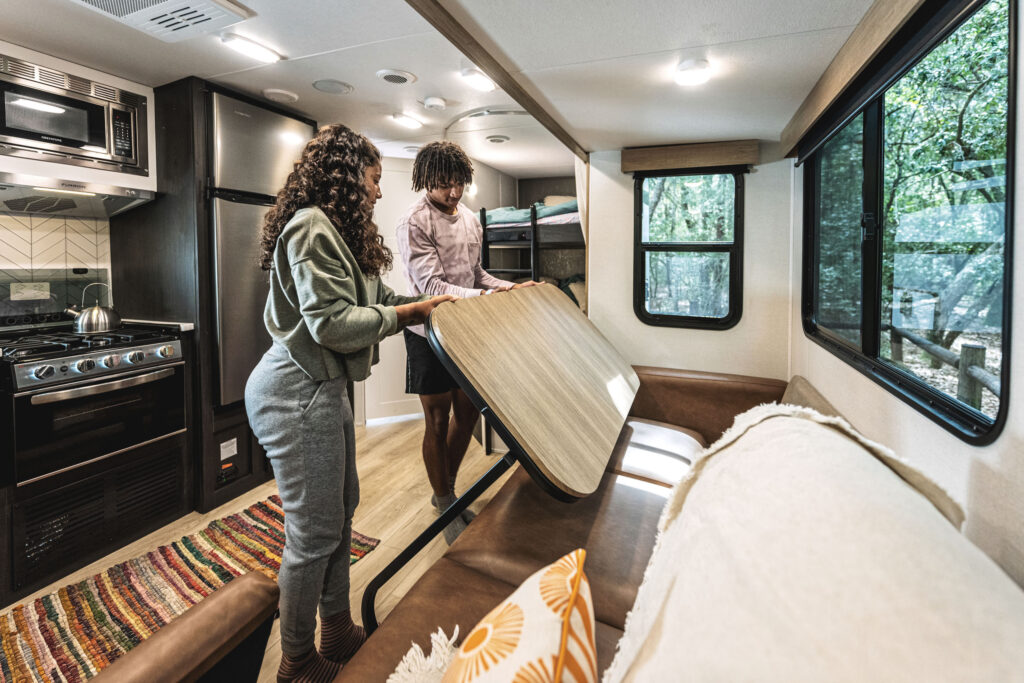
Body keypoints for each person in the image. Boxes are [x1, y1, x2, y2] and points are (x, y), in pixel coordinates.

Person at [245, 124, 454, 683]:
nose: (380, 191)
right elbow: (334, 325)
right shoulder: (310, 228)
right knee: (313, 533)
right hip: (294, 395)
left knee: (341, 512)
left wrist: (424, 304)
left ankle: (334, 630)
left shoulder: (337, 233)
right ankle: (296, 661)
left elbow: (377, 299)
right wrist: (410, 316)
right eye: (374, 179)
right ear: (346, 176)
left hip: (323, 389)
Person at [395, 140, 538, 544]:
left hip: (468, 330)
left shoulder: (472, 219)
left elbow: (477, 276)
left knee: (470, 413)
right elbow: (432, 286)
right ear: (426, 180)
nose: (453, 192)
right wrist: (490, 297)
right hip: (429, 332)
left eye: (458, 183)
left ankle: (447, 491)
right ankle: (445, 501)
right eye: (444, 184)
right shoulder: (414, 221)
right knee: (437, 421)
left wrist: (512, 287)